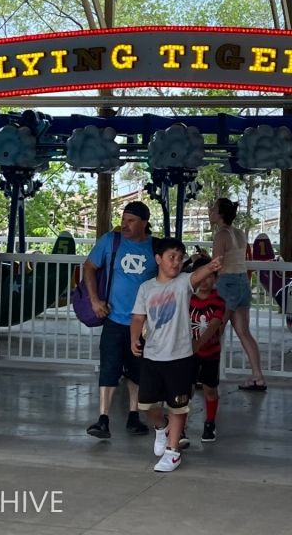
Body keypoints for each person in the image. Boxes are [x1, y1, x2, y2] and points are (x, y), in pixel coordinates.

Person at [130, 238, 222, 472]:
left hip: (180, 356)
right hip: (152, 356)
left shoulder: (183, 283)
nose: (177, 262)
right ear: (158, 259)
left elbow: (196, 275)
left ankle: (172, 452)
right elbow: (139, 318)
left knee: (177, 406)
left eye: (180, 258)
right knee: (146, 404)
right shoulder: (146, 288)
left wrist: (210, 266)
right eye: (172, 257)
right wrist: (134, 338)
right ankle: (162, 428)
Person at [83, 201, 157, 440]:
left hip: (143, 323)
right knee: (109, 368)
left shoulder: (155, 247)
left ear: (144, 223)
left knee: (137, 371)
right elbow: (89, 267)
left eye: (131, 221)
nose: (125, 224)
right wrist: (95, 301)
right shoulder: (111, 241)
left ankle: (133, 416)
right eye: (124, 219)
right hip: (114, 318)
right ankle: (103, 419)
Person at [210, 198, 267, 390]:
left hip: (227, 283)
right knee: (244, 332)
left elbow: (216, 263)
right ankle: (258, 377)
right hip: (243, 282)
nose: (211, 212)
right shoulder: (240, 233)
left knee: (214, 331)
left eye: (214, 210)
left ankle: (207, 376)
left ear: (220, 214)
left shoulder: (221, 235)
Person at [187, 254, 225, 444]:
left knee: (210, 388)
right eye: (201, 276)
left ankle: (209, 422)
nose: (204, 281)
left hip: (210, 353)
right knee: (188, 389)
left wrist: (198, 344)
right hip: (189, 354)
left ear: (215, 278)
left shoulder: (218, 300)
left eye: (209, 276)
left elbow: (214, 325)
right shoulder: (187, 299)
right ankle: (182, 425)